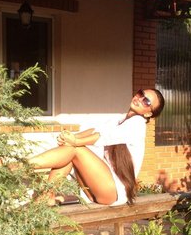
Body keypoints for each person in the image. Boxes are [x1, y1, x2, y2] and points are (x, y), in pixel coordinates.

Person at [27, 88, 165, 206]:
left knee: (75, 148)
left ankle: (22, 166)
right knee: (70, 150)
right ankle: (47, 194)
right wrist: (71, 137)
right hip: (100, 189)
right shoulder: (121, 119)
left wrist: (75, 141)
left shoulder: (138, 123)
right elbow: (95, 131)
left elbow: (104, 137)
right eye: (140, 94)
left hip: (114, 191)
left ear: (148, 113)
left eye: (146, 101)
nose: (139, 99)